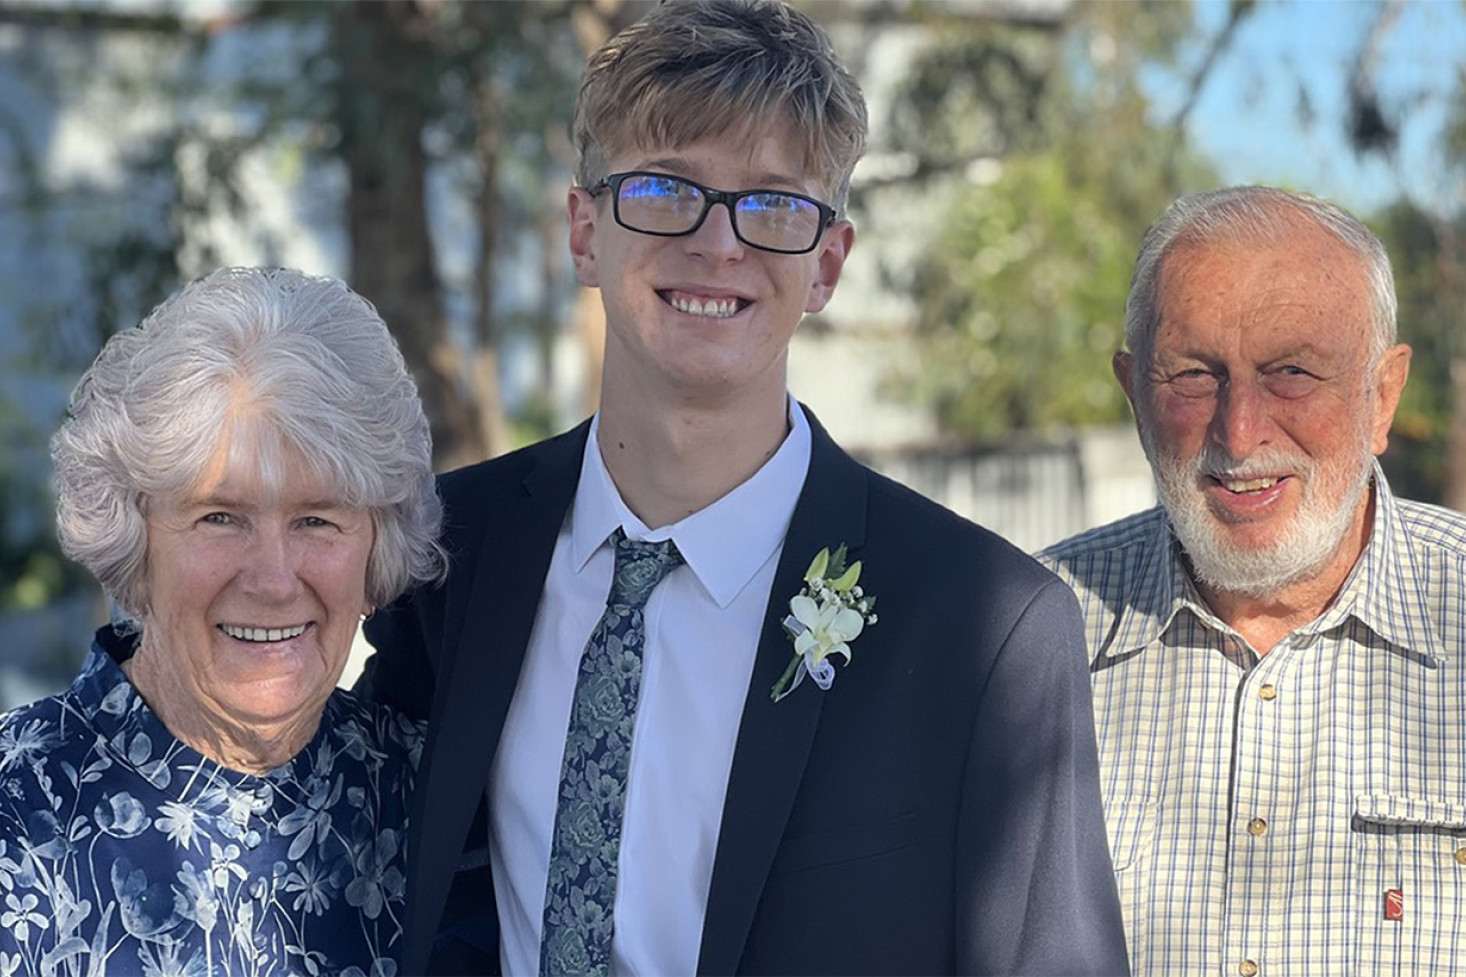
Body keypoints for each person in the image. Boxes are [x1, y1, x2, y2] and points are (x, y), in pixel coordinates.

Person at [357, 2, 1127, 974]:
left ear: (828, 262)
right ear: (584, 231)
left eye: (771, 203)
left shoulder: (984, 627)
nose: (717, 245)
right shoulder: (450, 554)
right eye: (664, 188)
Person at [1039, 185, 1466, 976]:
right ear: (1134, 396)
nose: (1240, 431)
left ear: (1382, 395)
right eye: (1195, 375)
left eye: (1292, 372)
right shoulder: (1028, 633)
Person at [0, 267, 445, 975]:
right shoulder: (16, 813)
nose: (272, 579)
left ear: (376, 545)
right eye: (220, 516)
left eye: (316, 519)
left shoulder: (440, 802)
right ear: (134, 538)